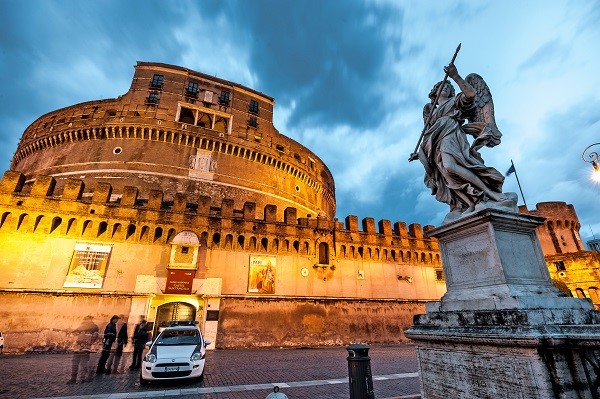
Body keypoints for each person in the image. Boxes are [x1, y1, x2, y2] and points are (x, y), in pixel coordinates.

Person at [415, 63, 511, 221]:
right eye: (442, 86)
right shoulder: (431, 110)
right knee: (446, 174)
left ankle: (489, 193)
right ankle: (469, 202)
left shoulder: (454, 101)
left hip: (451, 134)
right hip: (435, 142)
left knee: (450, 165)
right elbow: (428, 134)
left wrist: (455, 76)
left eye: (448, 86)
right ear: (435, 92)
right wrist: (420, 154)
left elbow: (471, 94)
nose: (445, 87)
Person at [68, 316, 98, 384]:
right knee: (79, 363)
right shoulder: (92, 326)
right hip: (82, 347)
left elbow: (74, 333)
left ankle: (76, 378)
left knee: (78, 363)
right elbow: (95, 337)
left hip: (81, 348)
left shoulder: (91, 326)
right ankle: (79, 378)